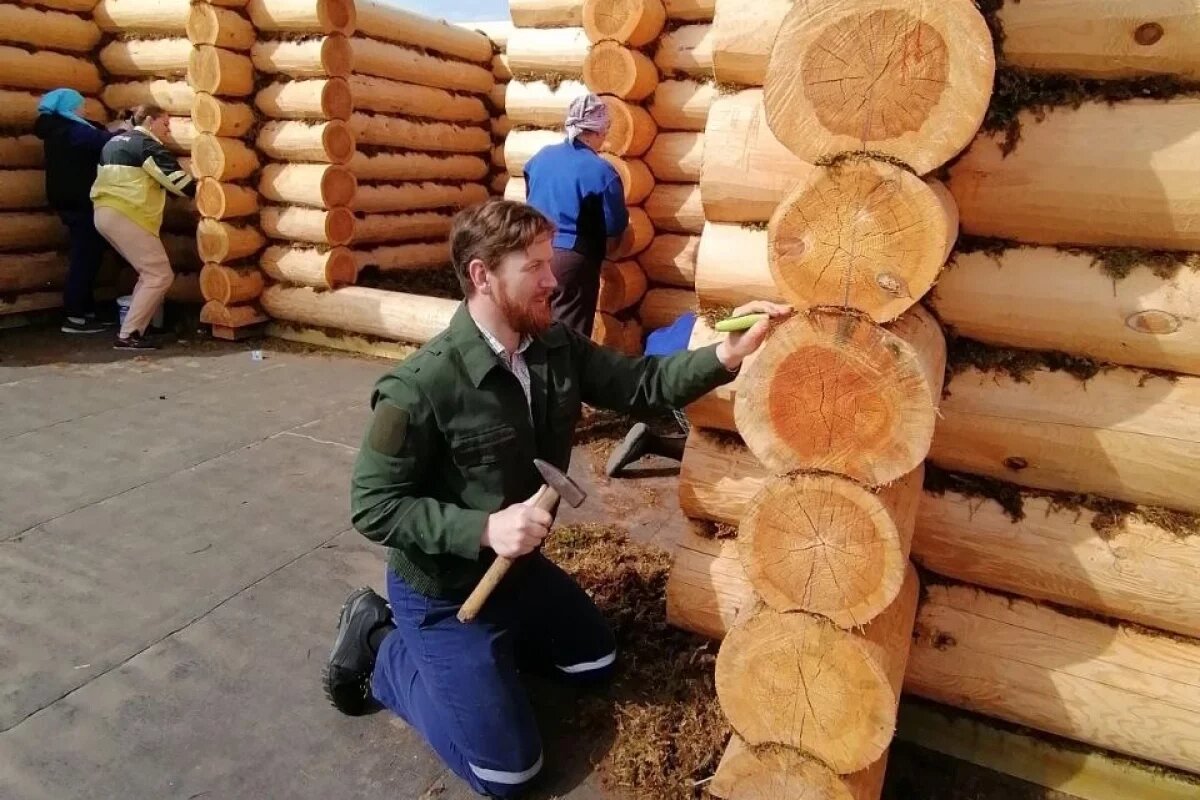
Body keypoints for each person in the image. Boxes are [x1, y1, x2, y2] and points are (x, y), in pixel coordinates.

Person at [324, 199, 790, 798]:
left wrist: (729, 354)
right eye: (534, 266)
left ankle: (488, 661)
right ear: (481, 276)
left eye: (549, 261)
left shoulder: (554, 347)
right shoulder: (419, 387)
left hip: (514, 573)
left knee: (593, 663)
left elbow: (642, 383)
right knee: (507, 774)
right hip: (444, 592)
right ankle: (382, 647)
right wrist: (484, 530)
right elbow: (373, 506)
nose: (554, 277)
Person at [91, 104, 196, 351]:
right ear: (149, 120)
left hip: (103, 213)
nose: (168, 130)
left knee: (149, 273)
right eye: (165, 123)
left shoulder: (114, 142)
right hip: (128, 214)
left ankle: (134, 330)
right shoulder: (147, 145)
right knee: (160, 275)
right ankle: (128, 335)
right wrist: (204, 185)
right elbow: (179, 184)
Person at [523, 93, 628, 337]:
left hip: (532, 252)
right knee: (569, 337)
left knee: (536, 327)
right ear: (598, 131)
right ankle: (565, 376)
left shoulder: (539, 158)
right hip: (571, 261)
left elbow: (532, 198)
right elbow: (615, 224)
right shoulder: (601, 171)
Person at [33, 88, 120, 334]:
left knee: (89, 255)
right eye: (80, 105)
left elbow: (95, 130)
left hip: (72, 200)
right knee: (85, 257)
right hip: (79, 202)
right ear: (69, 107)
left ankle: (86, 311)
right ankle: (75, 316)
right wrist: (128, 131)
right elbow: (102, 140)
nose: (85, 109)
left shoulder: (61, 128)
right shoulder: (69, 131)